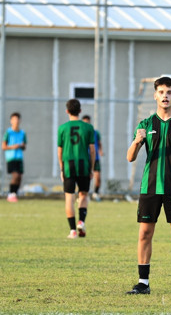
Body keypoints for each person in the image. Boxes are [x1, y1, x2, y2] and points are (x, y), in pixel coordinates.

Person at [125, 76, 171, 296]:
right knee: (145, 233)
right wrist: (136, 142)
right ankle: (143, 283)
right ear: (155, 95)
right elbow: (130, 157)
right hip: (149, 187)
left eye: (169, 92)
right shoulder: (145, 125)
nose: (165, 96)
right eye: (161, 92)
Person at [57, 99, 96, 239]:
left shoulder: (62, 128)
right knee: (83, 195)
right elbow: (92, 150)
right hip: (83, 165)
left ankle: (73, 231)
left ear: (67, 111)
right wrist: (91, 168)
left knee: (69, 197)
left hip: (68, 165)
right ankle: (81, 221)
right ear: (80, 111)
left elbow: (59, 151)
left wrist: (62, 168)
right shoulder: (88, 128)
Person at [2, 112, 27, 202]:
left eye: (17, 119)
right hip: (11, 158)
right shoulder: (8, 132)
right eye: (14, 119)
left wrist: (22, 146)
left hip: (19, 158)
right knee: (15, 175)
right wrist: (13, 146)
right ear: (11, 121)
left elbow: (24, 146)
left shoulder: (22, 133)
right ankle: (11, 193)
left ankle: (14, 194)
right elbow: (4, 146)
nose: (16, 121)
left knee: (19, 177)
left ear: (19, 121)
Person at [82, 115, 104, 201]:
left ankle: (95, 193)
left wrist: (100, 151)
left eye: (88, 122)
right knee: (84, 178)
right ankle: (83, 195)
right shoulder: (81, 133)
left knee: (98, 177)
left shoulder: (95, 133)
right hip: (85, 158)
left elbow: (99, 143)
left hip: (95, 158)